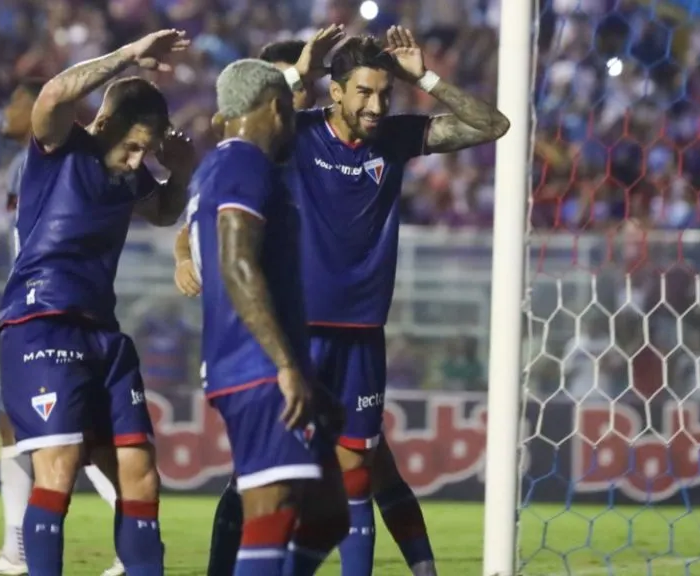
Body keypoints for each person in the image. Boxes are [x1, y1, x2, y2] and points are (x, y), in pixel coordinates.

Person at [179, 27, 510, 576]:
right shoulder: (297, 135)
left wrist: (424, 77)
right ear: (335, 92)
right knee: (265, 480)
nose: (377, 105)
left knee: (355, 479)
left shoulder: (395, 140)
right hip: (296, 332)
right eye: (364, 92)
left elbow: (491, 125)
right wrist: (296, 75)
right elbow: (232, 136)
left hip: (361, 333)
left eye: (385, 93)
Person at [0, 29, 194, 576]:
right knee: (56, 469)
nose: (136, 162)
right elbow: (53, 95)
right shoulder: (61, 147)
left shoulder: (126, 177)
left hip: (102, 334)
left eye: (146, 152)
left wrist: (178, 172)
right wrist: (129, 56)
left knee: (141, 473)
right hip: (42, 322)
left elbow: (164, 213)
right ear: (103, 124)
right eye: (132, 147)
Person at [187, 57, 349, 576]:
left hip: (259, 361)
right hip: (256, 365)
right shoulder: (243, 164)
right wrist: (284, 364)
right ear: (278, 108)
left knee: (329, 514)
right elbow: (237, 264)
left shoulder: (219, 165)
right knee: (272, 510)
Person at [0, 80, 126, 576]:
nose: (7, 109)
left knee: (82, 436)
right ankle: (17, 549)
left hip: (54, 310)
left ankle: (127, 543)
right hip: (28, 306)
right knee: (13, 420)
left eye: (15, 99)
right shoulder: (21, 164)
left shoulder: (52, 154)